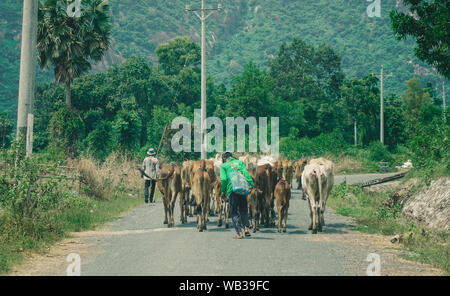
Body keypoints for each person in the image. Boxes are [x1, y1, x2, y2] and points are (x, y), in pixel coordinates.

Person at [220, 152, 254, 239]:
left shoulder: (224, 166)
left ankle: (239, 233)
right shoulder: (240, 163)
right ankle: (246, 228)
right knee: (243, 209)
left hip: (232, 189)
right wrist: (251, 184)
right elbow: (246, 174)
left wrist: (222, 191)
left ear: (224, 159)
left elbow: (223, 179)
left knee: (234, 211)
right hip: (242, 188)